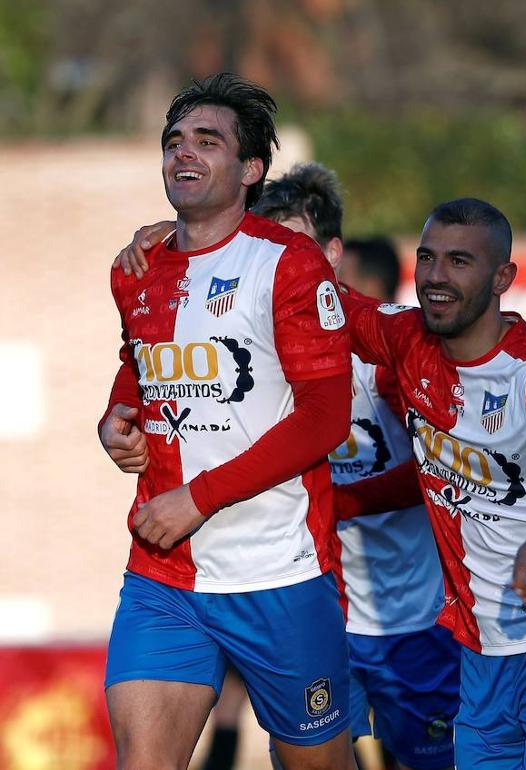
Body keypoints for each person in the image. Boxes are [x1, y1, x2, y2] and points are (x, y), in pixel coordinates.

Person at [116, 165, 460, 770]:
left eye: (287, 246)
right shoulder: (237, 340)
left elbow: (440, 468)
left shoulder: (380, 348)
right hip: (303, 597)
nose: (266, 265)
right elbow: (151, 363)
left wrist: (337, 494)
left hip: (406, 616)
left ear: (330, 253)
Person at [97, 73, 354, 769]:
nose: (184, 153)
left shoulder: (290, 264)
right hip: (163, 575)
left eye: (207, 141)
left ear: (250, 170)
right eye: (174, 141)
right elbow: (137, 364)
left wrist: (197, 499)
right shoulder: (138, 269)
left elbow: (327, 419)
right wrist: (115, 419)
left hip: (278, 571)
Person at [332, 198, 526, 770]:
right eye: (427, 258)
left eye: (459, 261)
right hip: (480, 656)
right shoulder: (407, 342)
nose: (436, 277)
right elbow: (324, 300)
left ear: (503, 278)